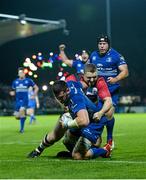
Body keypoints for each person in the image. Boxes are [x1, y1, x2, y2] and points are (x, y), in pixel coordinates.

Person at [27, 80, 112, 159]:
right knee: (66, 141)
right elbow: (84, 84)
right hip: (79, 116)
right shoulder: (70, 84)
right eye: (58, 98)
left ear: (67, 91)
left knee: (77, 156)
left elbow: (84, 121)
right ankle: (38, 150)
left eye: (61, 97)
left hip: (94, 123)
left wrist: (67, 124)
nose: (60, 101)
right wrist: (38, 150)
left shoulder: (75, 99)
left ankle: (105, 150)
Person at [90, 34, 129, 147]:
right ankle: (96, 138)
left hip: (112, 91)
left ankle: (110, 138)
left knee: (108, 114)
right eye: (100, 44)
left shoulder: (116, 55)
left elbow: (125, 72)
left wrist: (115, 79)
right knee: (96, 115)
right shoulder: (93, 55)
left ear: (108, 44)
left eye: (104, 44)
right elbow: (88, 70)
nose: (102, 46)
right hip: (97, 92)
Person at [10, 67, 39, 133]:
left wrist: (34, 95)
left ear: (24, 73)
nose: (21, 74)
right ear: (18, 74)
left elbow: (36, 88)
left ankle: (21, 129)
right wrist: (12, 93)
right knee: (17, 116)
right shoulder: (15, 82)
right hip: (17, 101)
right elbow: (13, 91)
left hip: (25, 100)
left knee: (21, 110)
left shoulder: (28, 81)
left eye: (22, 72)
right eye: (20, 73)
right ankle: (24, 116)